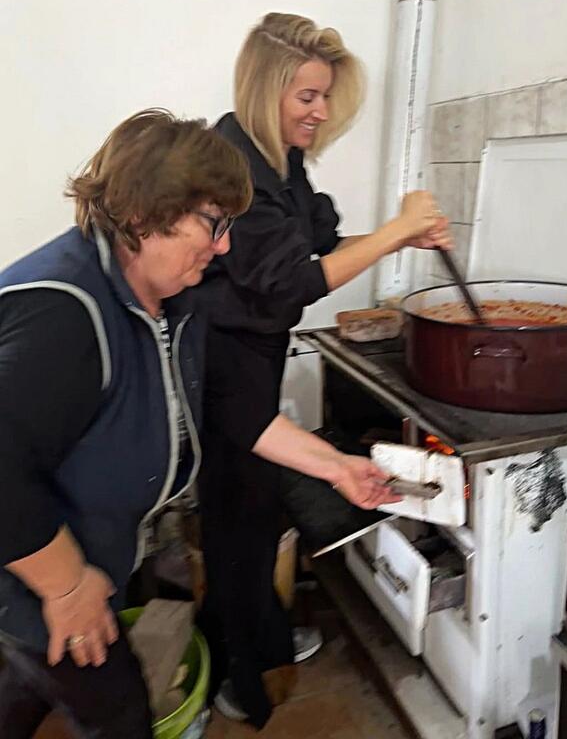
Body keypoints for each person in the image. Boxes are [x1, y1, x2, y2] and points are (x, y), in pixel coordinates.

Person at [0, 108, 402, 739]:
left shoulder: (176, 297)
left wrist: (338, 468)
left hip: (77, 560)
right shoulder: (65, 310)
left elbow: (235, 410)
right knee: (120, 713)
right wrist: (67, 589)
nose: (225, 247)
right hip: (31, 568)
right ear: (143, 214)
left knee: (27, 680)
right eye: (214, 225)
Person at [197, 12, 452, 728]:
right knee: (238, 523)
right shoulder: (232, 166)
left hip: (255, 354)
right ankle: (242, 679)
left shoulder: (280, 159)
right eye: (306, 95)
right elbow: (295, 283)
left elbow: (323, 245)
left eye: (327, 96)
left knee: (252, 514)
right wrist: (397, 231)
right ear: (266, 89)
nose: (321, 111)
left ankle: (249, 647)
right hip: (221, 363)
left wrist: (405, 240)